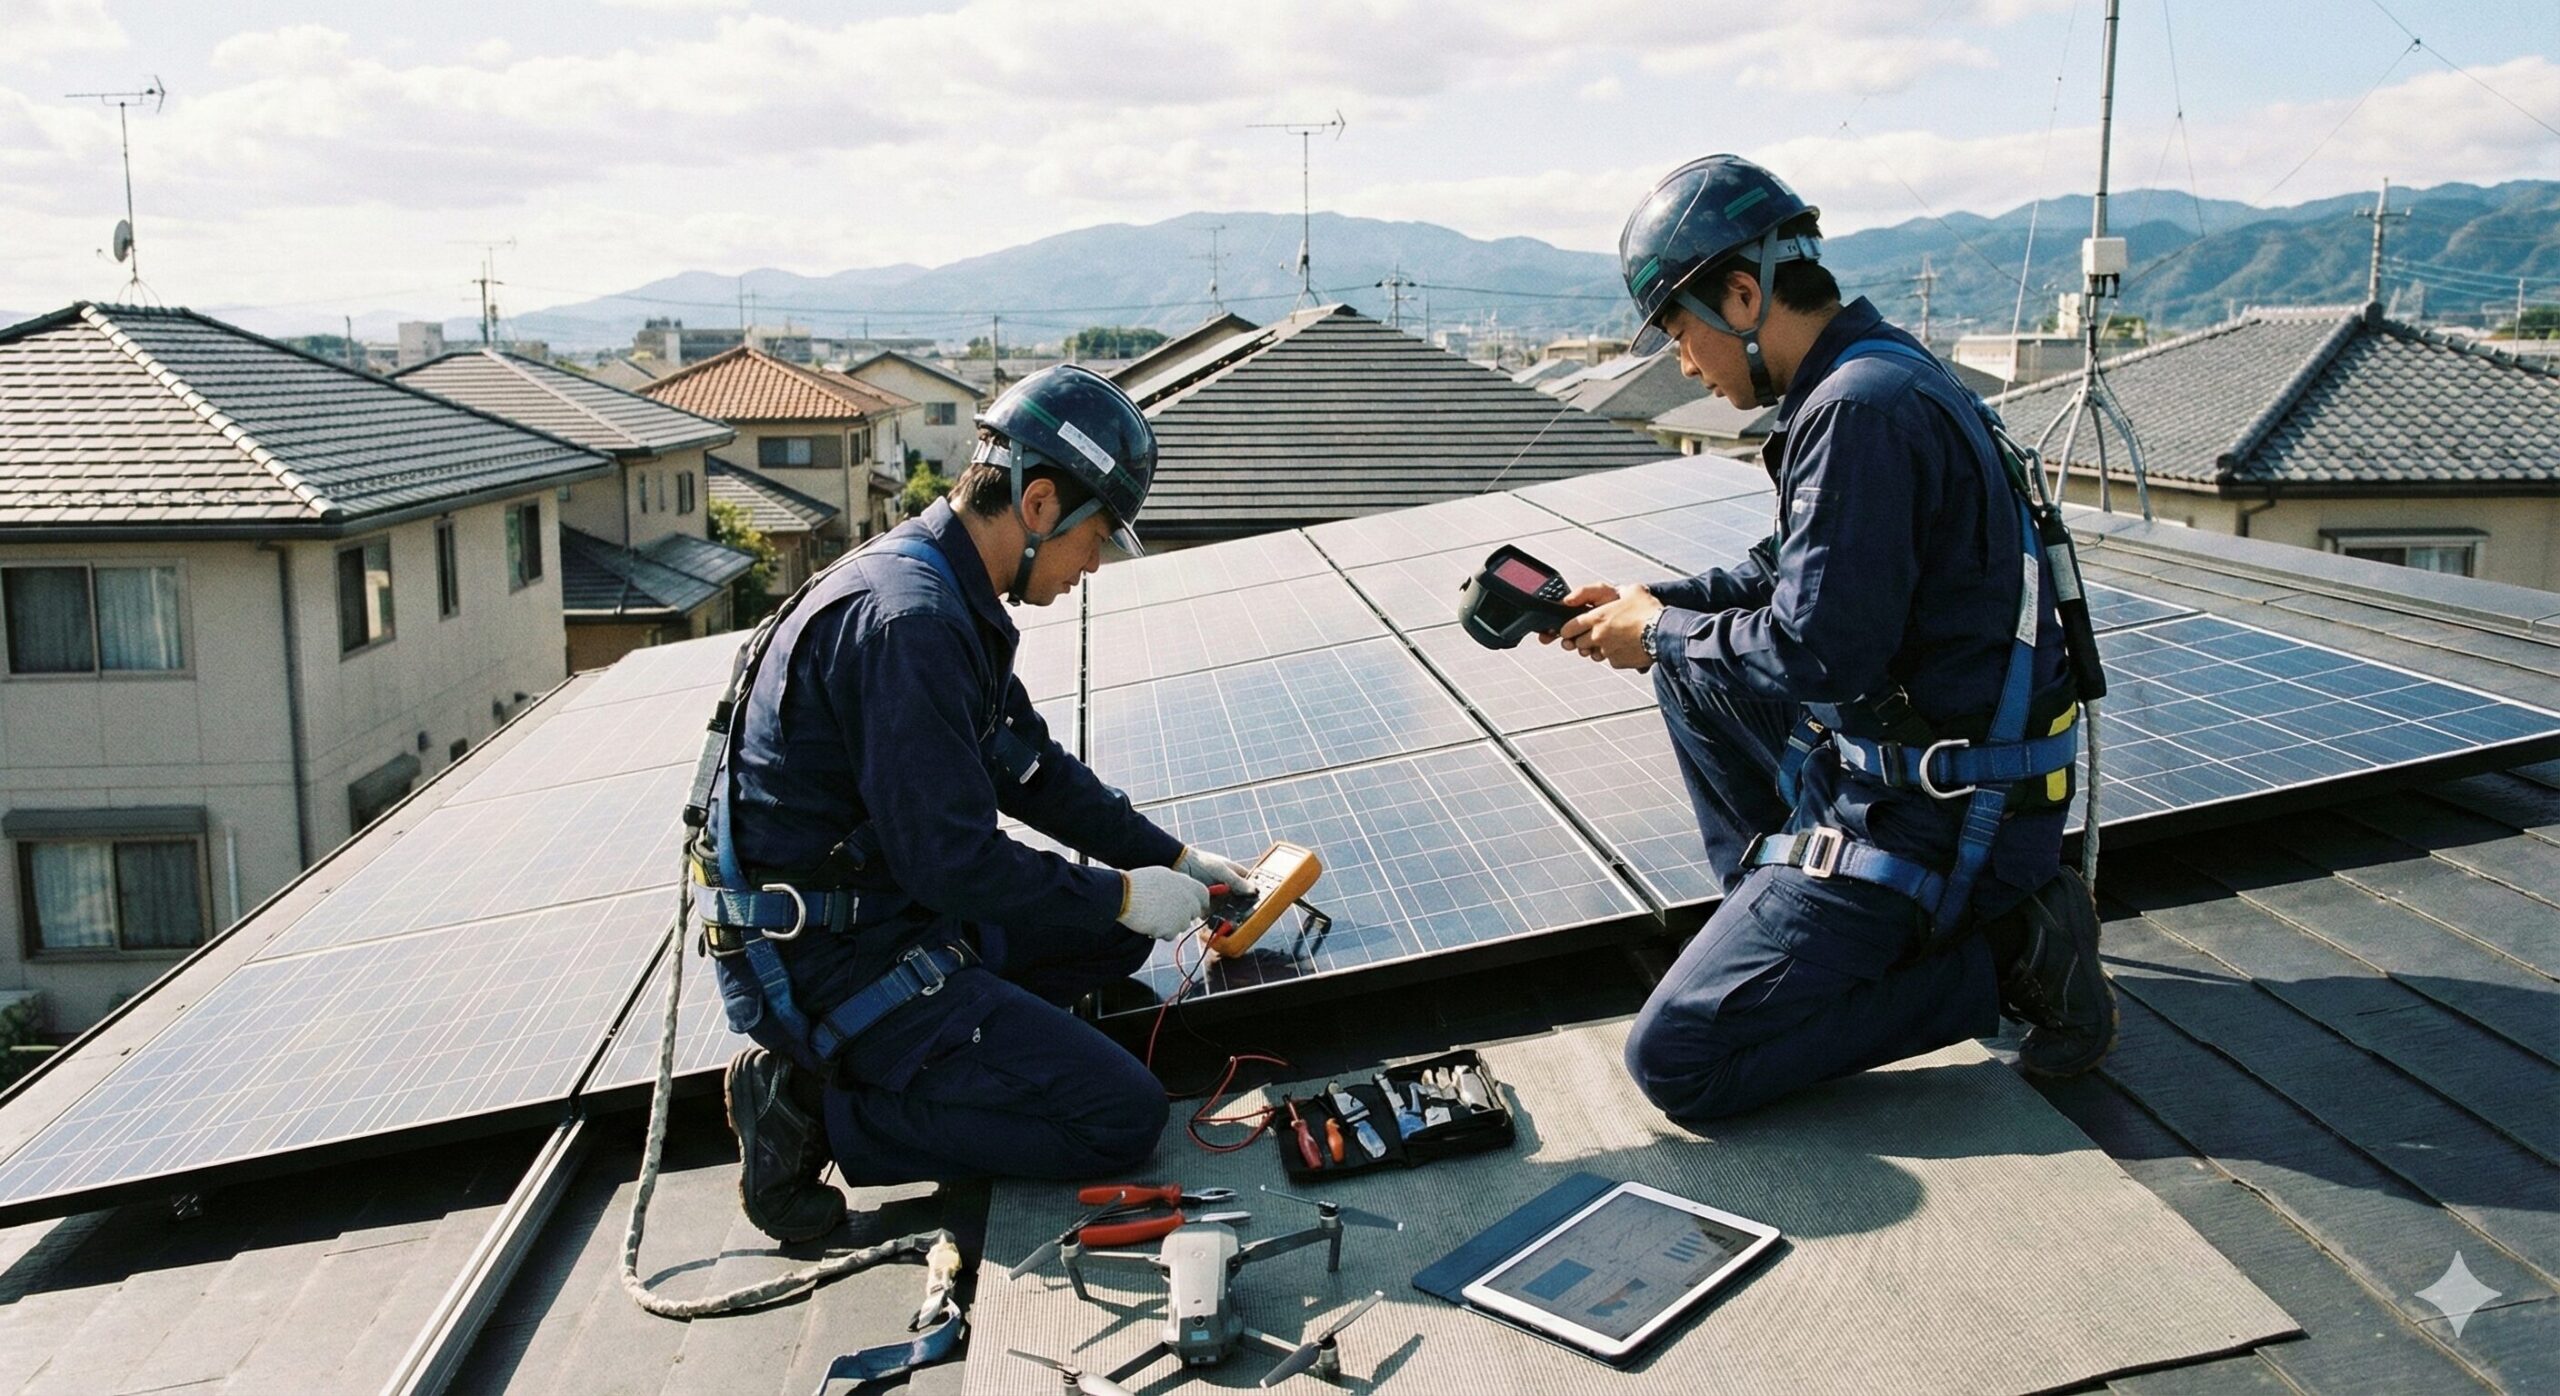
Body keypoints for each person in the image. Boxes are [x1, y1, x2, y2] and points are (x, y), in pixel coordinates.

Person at [1552, 155, 2115, 1126]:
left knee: (1680, 1058)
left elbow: (1819, 654)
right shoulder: (1878, 372)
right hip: (1950, 775)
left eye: (1681, 332)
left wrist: (1666, 634)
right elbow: (1783, 571)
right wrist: (1654, 604)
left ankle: (2008, 956)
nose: (1682, 362)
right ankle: (1778, 919)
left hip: (1940, 818)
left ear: (1741, 294)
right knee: (1688, 668)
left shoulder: (1855, 412)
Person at [692, 365, 1257, 1241]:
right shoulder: (909, 626)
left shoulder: (944, 589)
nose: (1094, 565)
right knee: (1119, 1117)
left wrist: (1171, 861)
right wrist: (1120, 892)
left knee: (1111, 933)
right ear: (1038, 506)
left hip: (888, 913)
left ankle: (982, 1045)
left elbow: (1031, 771)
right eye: (1098, 536)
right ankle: (810, 1106)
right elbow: (949, 859)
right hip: (836, 964)